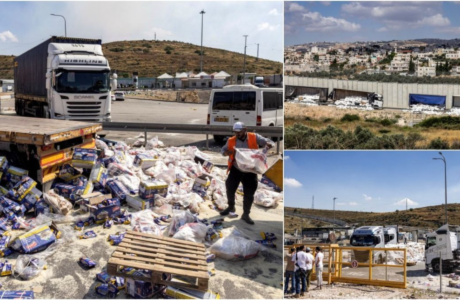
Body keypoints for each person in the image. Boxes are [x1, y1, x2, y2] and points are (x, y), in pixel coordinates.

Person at [220, 122, 274, 224]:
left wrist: (269, 144)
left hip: (250, 170)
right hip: (236, 169)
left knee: (249, 193)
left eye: (239, 132)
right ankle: (231, 207)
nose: (237, 134)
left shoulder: (254, 137)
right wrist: (225, 153)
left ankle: (246, 215)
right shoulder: (231, 140)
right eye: (235, 132)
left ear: (245, 129)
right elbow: (223, 150)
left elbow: (268, 142)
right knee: (230, 188)